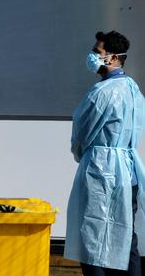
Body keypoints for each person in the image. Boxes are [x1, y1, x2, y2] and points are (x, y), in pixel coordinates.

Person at [65, 31, 145, 275]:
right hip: (128, 173)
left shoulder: (102, 93)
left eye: (97, 52)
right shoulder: (133, 89)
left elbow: (82, 133)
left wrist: (82, 155)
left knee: (92, 238)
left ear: (112, 58)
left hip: (101, 173)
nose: (92, 56)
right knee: (127, 236)